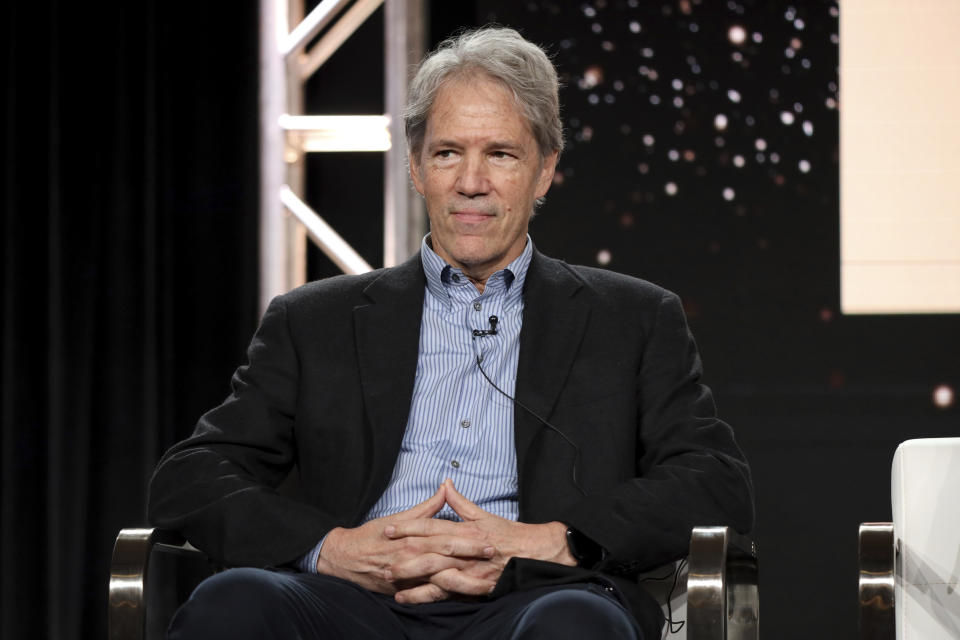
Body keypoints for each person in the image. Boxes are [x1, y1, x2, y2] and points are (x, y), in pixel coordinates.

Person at [148, 26, 753, 640]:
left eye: (501, 154)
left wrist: (559, 541)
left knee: (576, 624)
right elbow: (192, 476)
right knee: (234, 603)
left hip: (539, 599)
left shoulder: (633, 318)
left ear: (544, 171)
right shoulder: (312, 321)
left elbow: (715, 480)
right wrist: (329, 549)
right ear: (415, 167)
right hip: (348, 604)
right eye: (447, 153)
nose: (471, 182)